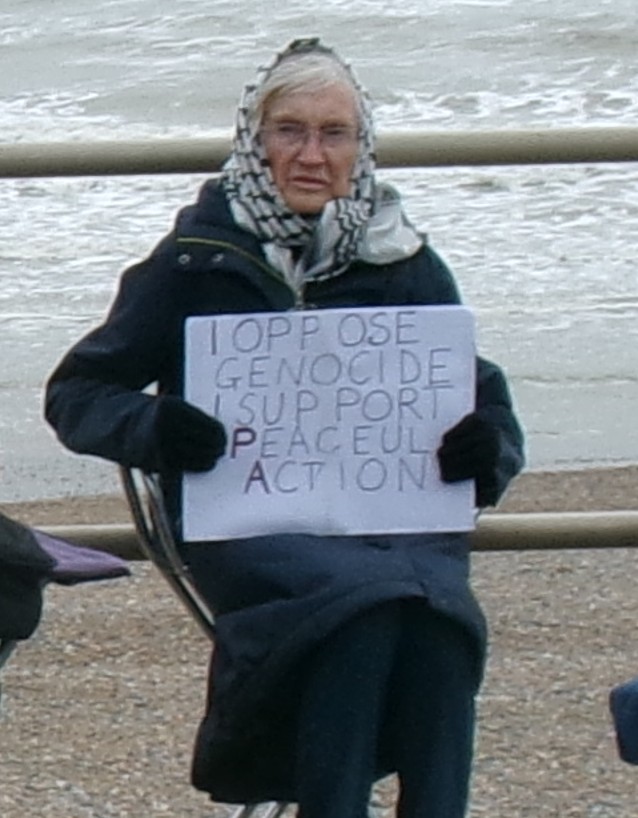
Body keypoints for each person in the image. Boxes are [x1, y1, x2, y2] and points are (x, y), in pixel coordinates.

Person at [45, 38, 525, 818]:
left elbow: (489, 406)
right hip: (254, 525)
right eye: (289, 131)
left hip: (392, 529)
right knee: (358, 615)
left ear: (360, 149)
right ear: (254, 141)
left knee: (441, 625)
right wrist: (156, 427)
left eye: (334, 134)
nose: (311, 154)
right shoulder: (196, 259)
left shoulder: (404, 261)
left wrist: (486, 450)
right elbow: (78, 392)